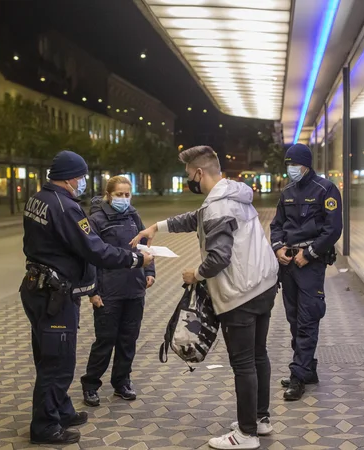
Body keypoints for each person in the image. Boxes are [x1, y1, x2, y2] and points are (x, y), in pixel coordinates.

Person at [132, 145, 279, 450]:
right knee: (258, 356)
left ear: (199, 173)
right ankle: (261, 420)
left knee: (243, 364)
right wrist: (156, 227)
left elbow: (218, 258)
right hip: (263, 285)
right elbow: (194, 219)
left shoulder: (217, 207)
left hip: (240, 294)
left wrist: (194, 275)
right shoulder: (233, 195)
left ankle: (246, 435)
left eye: (189, 175)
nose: (189, 180)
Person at [20, 150, 153, 445]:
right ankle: (45, 427)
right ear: (70, 177)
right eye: (80, 177)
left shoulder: (38, 198)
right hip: (54, 295)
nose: (82, 182)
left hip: (38, 288)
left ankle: (61, 410)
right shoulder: (66, 207)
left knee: (49, 355)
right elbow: (95, 250)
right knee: (57, 362)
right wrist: (134, 259)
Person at [270, 143, 342, 402]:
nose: (290, 170)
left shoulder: (326, 189)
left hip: (310, 264)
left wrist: (309, 253)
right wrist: (278, 247)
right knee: (294, 319)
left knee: (308, 318)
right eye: (288, 165)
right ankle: (307, 369)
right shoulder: (287, 191)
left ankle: (298, 376)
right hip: (288, 263)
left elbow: (333, 229)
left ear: (306, 165)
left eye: (294, 165)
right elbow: (276, 224)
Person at [80, 176, 155, 407]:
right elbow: (89, 258)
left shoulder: (133, 215)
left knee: (128, 340)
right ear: (108, 194)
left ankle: (122, 381)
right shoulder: (95, 220)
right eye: (119, 194)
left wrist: (149, 270)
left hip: (134, 289)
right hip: (108, 291)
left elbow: (144, 245)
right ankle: (91, 384)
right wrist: (93, 291)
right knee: (105, 341)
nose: (124, 199)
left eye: (127, 194)